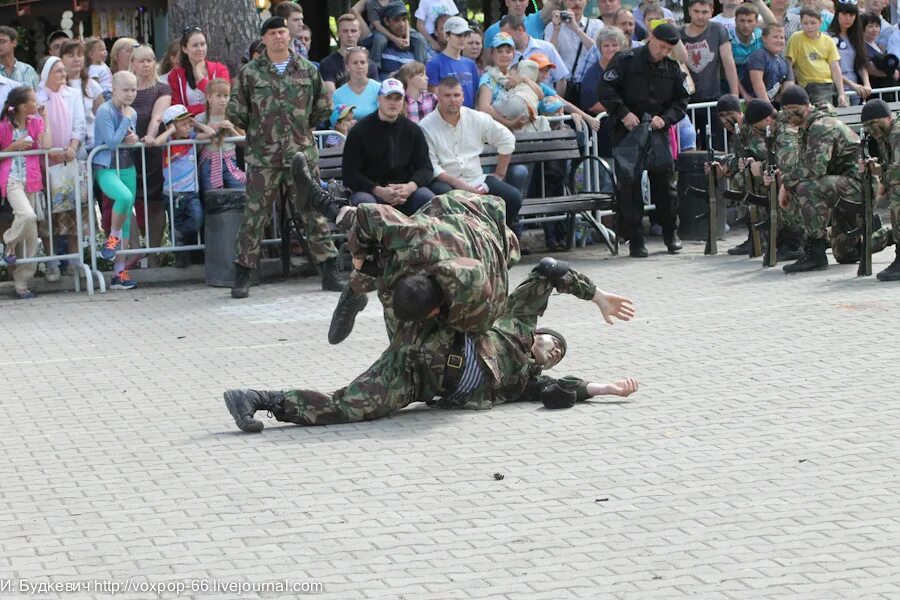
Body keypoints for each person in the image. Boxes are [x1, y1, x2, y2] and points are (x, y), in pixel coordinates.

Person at [222, 260, 638, 431]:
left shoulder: (523, 382)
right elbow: (549, 271)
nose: (553, 352)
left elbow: (558, 392)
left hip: (417, 378)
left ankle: (257, 398)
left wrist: (601, 389)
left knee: (346, 407)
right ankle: (362, 277)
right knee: (421, 288)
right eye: (555, 344)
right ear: (543, 334)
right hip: (433, 330)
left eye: (557, 357)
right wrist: (598, 297)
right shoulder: (518, 318)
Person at [227, 16, 342, 298]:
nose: (279, 37)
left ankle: (329, 271)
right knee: (254, 216)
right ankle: (243, 275)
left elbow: (322, 107)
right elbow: (236, 111)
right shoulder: (250, 73)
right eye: (273, 33)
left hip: (300, 154)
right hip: (262, 157)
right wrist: (259, 131)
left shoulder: (306, 68)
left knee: (311, 213)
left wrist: (299, 128)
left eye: (282, 32)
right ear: (264, 39)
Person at [596, 23, 688, 257]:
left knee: (665, 186)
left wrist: (665, 119)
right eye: (660, 47)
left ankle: (671, 234)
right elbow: (606, 90)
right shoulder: (625, 60)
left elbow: (681, 102)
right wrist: (623, 113)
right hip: (626, 131)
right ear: (650, 38)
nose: (662, 52)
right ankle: (636, 239)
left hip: (656, 131)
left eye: (668, 49)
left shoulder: (671, 67)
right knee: (629, 186)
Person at [422, 77, 529, 230]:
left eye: (457, 95)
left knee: (513, 198)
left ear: (463, 97)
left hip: (478, 180)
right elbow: (432, 166)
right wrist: (459, 184)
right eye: (447, 95)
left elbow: (507, 139)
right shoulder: (426, 126)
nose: (453, 100)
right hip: (446, 182)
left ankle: (496, 238)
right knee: (444, 196)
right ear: (438, 97)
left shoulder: (477, 118)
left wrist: (499, 174)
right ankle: (460, 244)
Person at [775, 85, 861, 273]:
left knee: (808, 188)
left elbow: (814, 169)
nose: (790, 117)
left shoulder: (821, 126)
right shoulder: (809, 125)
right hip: (842, 184)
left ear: (807, 106)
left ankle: (815, 252)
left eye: (794, 111)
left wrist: (787, 184)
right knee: (845, 254)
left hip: (857, 184)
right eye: (786, 112)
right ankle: (868, 231)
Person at [711, 94, 804, 259]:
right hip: (775, 174)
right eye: (721, 116)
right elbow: (744, 155)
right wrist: (731, 164)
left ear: (739, 113)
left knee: (751, 182)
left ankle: (784, 239)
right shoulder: (749, 128)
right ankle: (760, 236)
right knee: (744, 179)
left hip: (790, 176)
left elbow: (773, 156)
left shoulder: (768, 127)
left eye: (727, 114)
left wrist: (757, 168)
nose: (725, 120)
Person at [341, 78, 436, 216]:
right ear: (379, 99)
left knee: (428, 199)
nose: (393, 102)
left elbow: (426, 168)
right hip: (371, 192)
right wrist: (377, 190)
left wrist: (410, 187)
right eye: (388, 97)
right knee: (365, 204)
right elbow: (350, 173)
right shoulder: (359, 131)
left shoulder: (413, 130)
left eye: (398, 98)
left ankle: (428, 237)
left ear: (403, 101)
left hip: (405, 192)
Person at [36, 56, 86, 283]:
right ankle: (52, 262)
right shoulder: (38, 97)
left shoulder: (73, 94)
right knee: (48, 215)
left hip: (68, 159)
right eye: (57, 71)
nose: (62, 74)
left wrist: (72, 146)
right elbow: (35, 128)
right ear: (47, 74)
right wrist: (49, 151)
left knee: (73, 211)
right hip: (45, 163)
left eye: (63, 71)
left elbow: (79, 123)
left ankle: (76, 261)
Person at [0, 87, 51, 298]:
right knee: (27, 215)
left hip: (31, 180)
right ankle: (9, 242)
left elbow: (47, 146)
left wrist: (45, 119)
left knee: (32, 235)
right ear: (22, 106)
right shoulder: (4, 126)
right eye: (33, 100)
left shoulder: (35, 123)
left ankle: (22, 283)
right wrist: (15, 146)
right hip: (11, 179)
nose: (36, 102)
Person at [93, 71, 139, 290]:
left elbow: (130, 136)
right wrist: (127, 119)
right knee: (124, 197)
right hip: (106, 167)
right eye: (126, 89)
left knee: (127, 217)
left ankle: (120, 273)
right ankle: (112, 237)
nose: (130, 94)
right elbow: (111, 142)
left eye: (133, 89)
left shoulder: (131, 112)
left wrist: (134, 137)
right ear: (114, 89)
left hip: (127, 165)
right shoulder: (105, 111)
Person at [154, 104, 216, 263]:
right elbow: (156, 142)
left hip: (191, 192)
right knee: (176, 220)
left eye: (189, 122)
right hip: (173, 193)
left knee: (197, 218)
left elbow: (211, 133)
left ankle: (179, 233)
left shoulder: (192, 137)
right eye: (183, 123)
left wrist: (196, 124)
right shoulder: (168, 140)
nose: (188, 126)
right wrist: (170, 131)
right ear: (172, 126)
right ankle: (179, 256)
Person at [130, 44, 171, 264]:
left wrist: (150, 137)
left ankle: (154, 254)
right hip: (128, 153)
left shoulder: (162, 88)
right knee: (128, 202)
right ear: (133, 64)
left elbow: (157, 116)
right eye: (141, 60)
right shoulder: (126, 86)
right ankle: (134, 252)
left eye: (150, 60)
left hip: (153, 151)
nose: (146, 64)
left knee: (155, 203)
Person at [681, 0, 740, 138]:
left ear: (712, 11)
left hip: (713, 99)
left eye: (705, 12)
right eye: (696, 11)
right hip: (686, 102)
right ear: (689, 11)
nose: (700, 16)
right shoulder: (679, 33)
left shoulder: (718, 29)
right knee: (689, 149)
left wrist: (735, 96)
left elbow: (728, 62)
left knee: (716, 147)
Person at [858, 98, 900, 281]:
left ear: (887, 118)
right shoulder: (886, 135)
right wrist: (877, 169)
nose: (871, 130)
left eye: (874, 123)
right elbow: (891, 167)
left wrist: (884, 175)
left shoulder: (897, 132)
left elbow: (898, 170)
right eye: (868, 126)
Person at [785, 8, 848, 106]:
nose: (809, 27)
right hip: (811, 84)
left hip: (830, 83)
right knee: (824, 108)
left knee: (843, 104)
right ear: (801, 23)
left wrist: (841, 93)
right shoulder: (796, 38)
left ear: (820, 22)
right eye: (805, 23)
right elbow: (789, 63)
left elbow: (835, 68)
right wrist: (792, 86)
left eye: (813, 23)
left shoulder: (828, 40)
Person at [546, 0, 604, 104]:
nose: (577, 3)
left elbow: (599, 52)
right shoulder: (552, 26)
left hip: (589, 88)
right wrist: (556, 30)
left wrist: (576, 29)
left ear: (586, 2)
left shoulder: (596, 25)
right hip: (563, 88)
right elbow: (549, 56)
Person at [476, 32, 537, 130]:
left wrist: (524, 78)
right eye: (499, 51)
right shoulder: (487, 78)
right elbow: (484, 108)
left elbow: (539, 95)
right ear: (492, 54)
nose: (504, 55)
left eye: (508, 51)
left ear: (513, 54)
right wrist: (510, 123)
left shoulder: (516, 74)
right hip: (497, 132)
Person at [167, 27, 230, 117]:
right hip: (188, 125)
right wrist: (205, 107)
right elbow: (177, 109)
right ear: (185, 49)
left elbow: (221, 99)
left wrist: (200, 78)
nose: (200, 49)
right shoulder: (175, 76)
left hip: (215, 122)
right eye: (195, 45)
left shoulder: (220, 69)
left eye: (203, 44)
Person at [500, 14, 571, 94]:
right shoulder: (504, 56)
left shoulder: (546, 48)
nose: (505, 39)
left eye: (507, 35)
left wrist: (556, 104)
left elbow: (561, 79)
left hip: (547, 100)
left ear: (520, 30)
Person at [196, 78, 245, 192]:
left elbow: (243, 142)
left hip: (230, 162)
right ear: (208, 97)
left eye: (226, 96)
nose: (223, 100)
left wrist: (232, 129)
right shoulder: (200, 118)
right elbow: (195, 147)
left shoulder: (234, 116)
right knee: (212, 199)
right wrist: (207, 132)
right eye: (218, 96)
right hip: (209, 163)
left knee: (241, 193)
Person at [426, 17, 481, 108]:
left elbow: (476, 96)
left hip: (469, 117)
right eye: (459, 35)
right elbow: (434, 99)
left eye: (466, 35)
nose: (463, 39)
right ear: (446, 36)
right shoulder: (434, 64)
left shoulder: (470, 64)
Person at [319, 14, 380, 96]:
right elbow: (331, 95)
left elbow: (375, 93)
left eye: (353, 31)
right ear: (338, 33)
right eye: (345, 31)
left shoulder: (370, 65)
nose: (350, 35)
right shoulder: (327, 63)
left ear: (359, 33)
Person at [61, 40, 103, 152]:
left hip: (92, 147)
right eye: (71, 56)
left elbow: (101, 116)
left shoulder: (93, 85)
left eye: (79, 55)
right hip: (65, 147)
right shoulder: (57, 86)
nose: (76, 59)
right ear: (61, 59)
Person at [731, 1, 778, 101]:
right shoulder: (728, 39)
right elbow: (729, 72)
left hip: (759, 85)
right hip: (734, 88)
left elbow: (774, 25)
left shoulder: (760, 35)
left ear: (756, 22)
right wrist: (744, 94)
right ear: (735, 21)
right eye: (742, 21)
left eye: (750, 21)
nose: (746, 25)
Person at [827, 0, 872, 104]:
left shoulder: (857, 37)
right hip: (835, 88)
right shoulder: (826, 37)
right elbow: (829, 67)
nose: (847, 18)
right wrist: (852, 84)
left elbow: (861, 63)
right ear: (837, 14)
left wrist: (866, 83)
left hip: (856, 89)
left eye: (851, 15)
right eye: (844, 14)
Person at [745, 24, 795, 104]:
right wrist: (769, 109)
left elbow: (789, 88)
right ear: (764, 38)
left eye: (782, 38)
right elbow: (757, 82)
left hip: (771, 103)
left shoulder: (785, 62)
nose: (779, 40)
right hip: (753, 104)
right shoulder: (759, 56)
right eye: (775, 37)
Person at [377, 3, 429, 77]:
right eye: (396, 20)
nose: (402, 24)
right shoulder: (379, 43)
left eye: (404, 19)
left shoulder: (419, 43)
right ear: (386, 21)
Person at [483, 0, 560, 50]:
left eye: (521, 0)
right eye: (513, 0)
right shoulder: (491, 30)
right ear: (507, 2)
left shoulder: (536, 20)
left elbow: (554, 2)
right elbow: (486, 63)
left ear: (527, 2)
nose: (518, 3)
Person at [332, 47, 382, 119]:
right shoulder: (337, 94)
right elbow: (337, 124)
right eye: (355, 63)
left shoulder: (380, 89)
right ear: (347, 67)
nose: (359, 66)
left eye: (363, 62)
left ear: (368, 65)